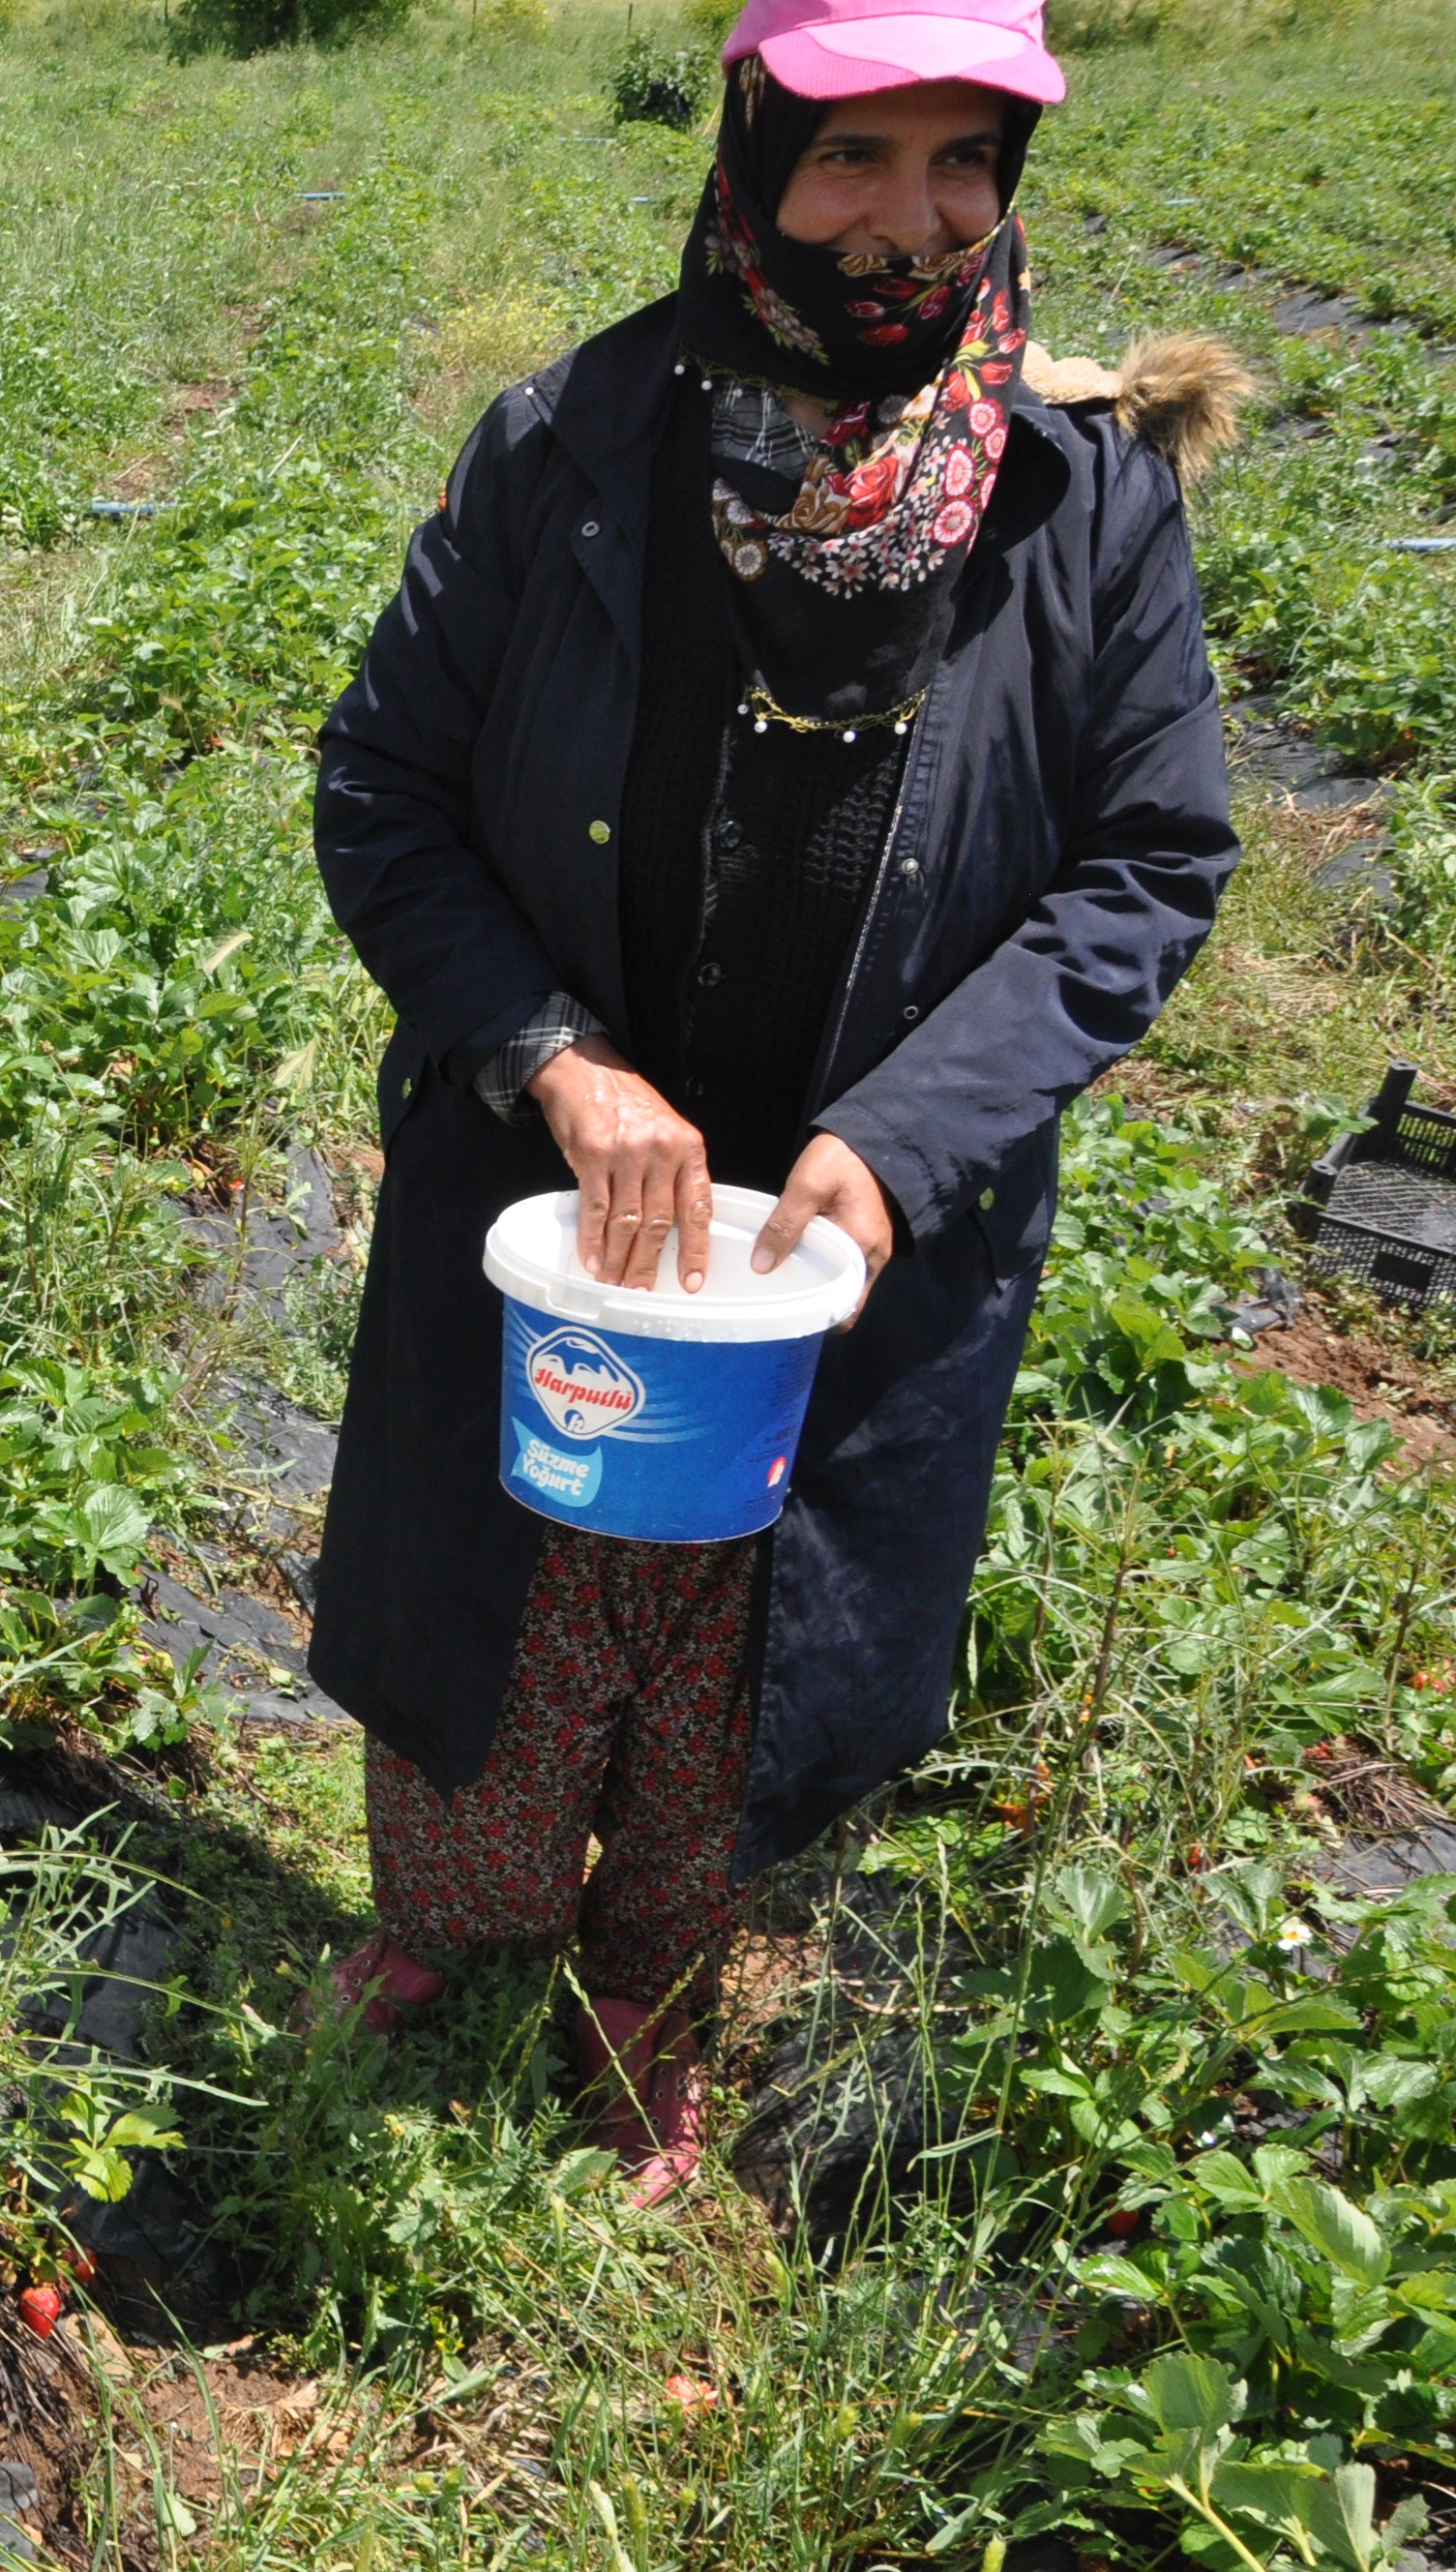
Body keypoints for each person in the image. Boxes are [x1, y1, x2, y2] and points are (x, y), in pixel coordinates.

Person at [305, 0, 1243, 2204]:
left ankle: (650, 1983)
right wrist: (549, 1057)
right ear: (750, 151)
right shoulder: (566, 446)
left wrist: (900, 1140)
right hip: (549, 1185)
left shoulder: (1074, 508)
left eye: (959, 163)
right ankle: (452, 1929)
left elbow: (1148, 862)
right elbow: (384, 790)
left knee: (742, 1622)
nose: (905, 222)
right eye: (850, 159)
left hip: (852, 1235)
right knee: (515, 1570)